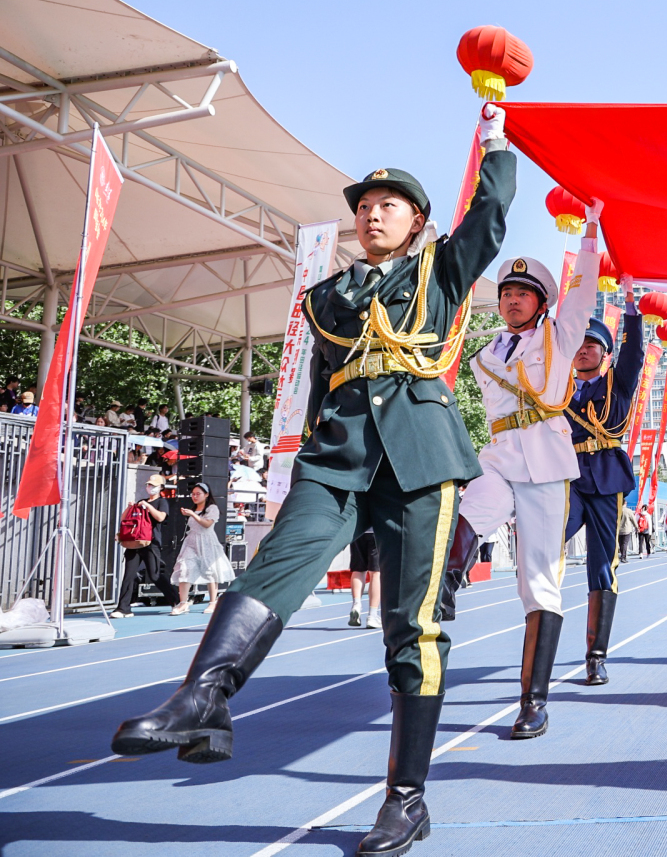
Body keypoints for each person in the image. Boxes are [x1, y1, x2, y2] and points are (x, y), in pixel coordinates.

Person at [113, 104, 516, 857]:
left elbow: (489, 217)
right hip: (337, 458)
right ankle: (204, 698)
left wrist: (496, 139)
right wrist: (295, 465)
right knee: (270, 569)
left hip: (421, 460)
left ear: (418, 222)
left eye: (388, 205)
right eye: (364, 206)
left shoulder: (439, 271)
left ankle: (406, 800)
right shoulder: (326, 297)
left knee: (413, 627)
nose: (372, 214)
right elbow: (320, 386)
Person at [437, 233, 598, 743]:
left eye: (522, 293)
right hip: (501, 456)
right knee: (472, 507)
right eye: (507, 292)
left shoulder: (559, 337)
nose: (511, 300)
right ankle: (443, 588)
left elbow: (583, 297)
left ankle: (534, 702)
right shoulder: (484, 355)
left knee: (538, 584)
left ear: (541, 302)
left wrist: (590, 235)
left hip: (546, 463)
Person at [562, 292, 647, 685]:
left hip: (605, 480)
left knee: (601, 566)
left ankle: (596, 657)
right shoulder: (558, 388)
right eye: (577, 345)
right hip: (567, 477)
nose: (582, 351)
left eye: (591, 345)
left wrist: (631, 311)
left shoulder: (618, 383)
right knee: (545, 540)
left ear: (605, 353)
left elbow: (634, 354)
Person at [111, 473, 180, 616]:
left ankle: (176, 601)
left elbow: (161, 517)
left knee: (155, 575)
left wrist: (148, 506)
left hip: (151, 542)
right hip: (135, 541)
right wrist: (129, 508)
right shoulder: (141, 501)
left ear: (161, 487)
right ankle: (123, 608)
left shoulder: (161, 502)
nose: (150, 487)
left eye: (153, 485)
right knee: (129, 575)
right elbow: (124, 519)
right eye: (149, 485)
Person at [170, 484, 235, 615]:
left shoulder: (212, 508)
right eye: (193, 494)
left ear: (206, 494)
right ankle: (183, 603)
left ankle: (212, 602)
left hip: (207, 541)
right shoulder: (194, 509)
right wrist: (190, 513)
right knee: (184, 568)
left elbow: (207, 524)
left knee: (210, 570)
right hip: (191, 541)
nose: (194, 496)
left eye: (198, 494)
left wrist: (192, 514)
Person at [347, 529, 382, 628]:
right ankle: (372, 616)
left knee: (358, 570)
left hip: (358, 532)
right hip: (377, 532)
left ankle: (356, 605)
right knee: (375, 573)